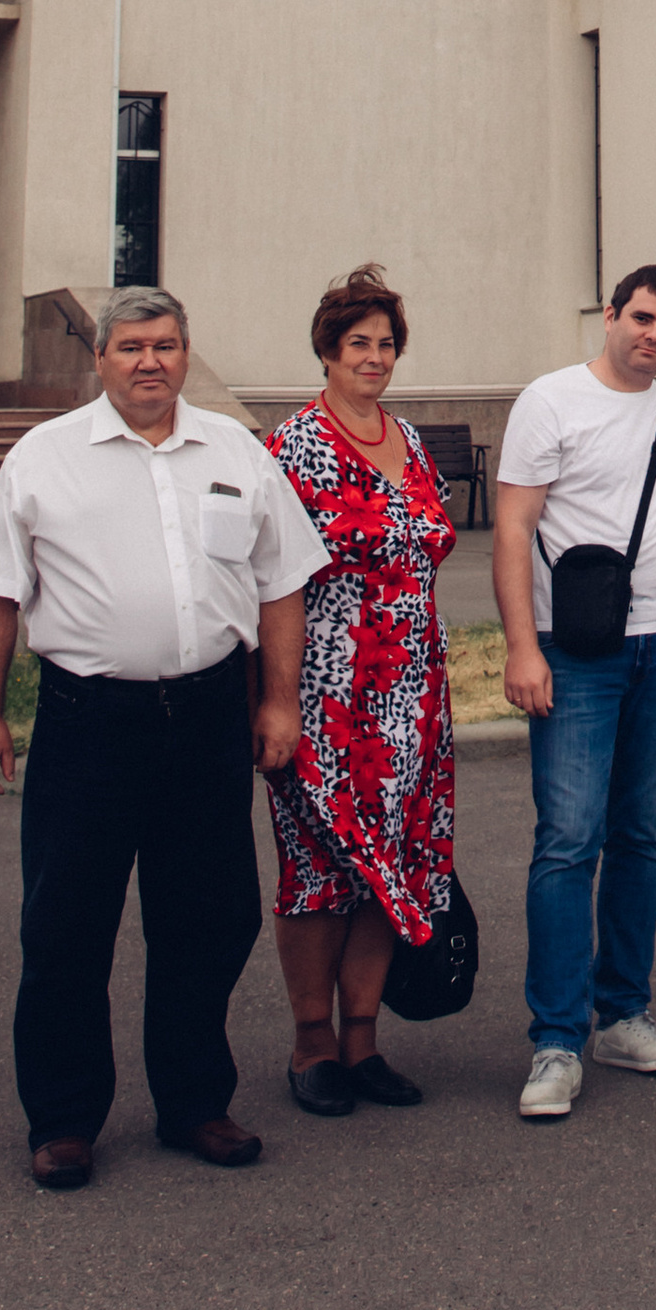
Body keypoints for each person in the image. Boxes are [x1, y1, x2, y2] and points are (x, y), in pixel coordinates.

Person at [0, 285, 328, 1189]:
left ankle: (195, 1102)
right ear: (100, 359)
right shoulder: (44, 459)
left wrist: (280, 704)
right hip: (90, 723)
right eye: (130, 347)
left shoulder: (236, 451)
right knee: (66, 926)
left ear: (186, 353)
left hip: (205, 717)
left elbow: (281, 585)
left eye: (164, 345)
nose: (149, 361)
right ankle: (64, 1119)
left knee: (207, 918)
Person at [495, 267, 656, 1124]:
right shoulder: (550, 401)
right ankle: (555, 1039)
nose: (653, 335)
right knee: (568, 839)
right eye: (642, 318)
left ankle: (624, 1014)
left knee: (641, 836)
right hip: (575, 650)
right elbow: (512, 525)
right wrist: (519, 647)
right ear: (610, 315)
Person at [265, 264, 456, 1120]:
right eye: (358, 344)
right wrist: (271, 700)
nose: (374, 358)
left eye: (385, 345)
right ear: (327, 351)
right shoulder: (293, 446)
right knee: (319, 871)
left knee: (395, 865)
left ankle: (364, 1040)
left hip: (413, 695)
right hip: (327, 691)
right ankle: (312, 1046)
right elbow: (268, 580)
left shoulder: (408, 441)